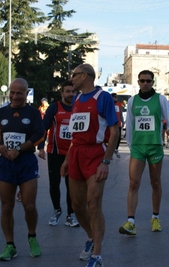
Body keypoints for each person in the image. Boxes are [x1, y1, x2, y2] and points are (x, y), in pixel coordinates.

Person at [0, 78, 45, 260]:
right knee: (6, 206)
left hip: (26, 162)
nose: (15, 96)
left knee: (29, 205)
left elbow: (40, 135)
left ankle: (32, 237)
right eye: (12, 93)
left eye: (19, 93)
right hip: (6, 164)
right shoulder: (0, 113)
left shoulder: (32, 113)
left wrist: (19, 149)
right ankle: (10, 245)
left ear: (26, 94)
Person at [60, 64, 119, 267]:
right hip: (76, 154)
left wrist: (106, 161)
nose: (72, 78)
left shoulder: (102, 98)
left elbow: (115, 131)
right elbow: (75, 135)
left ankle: (97, 255)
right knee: (77, 206)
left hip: (95, 154)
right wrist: (67, 160)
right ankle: (91, 237)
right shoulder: (76, 99)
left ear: (84, 76)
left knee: (93, 204)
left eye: (74, 75)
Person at [119, 70, 169, 235]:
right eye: (142, 81)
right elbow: (130, 123)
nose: (145, 83)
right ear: (138, 82)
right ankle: (131, 222)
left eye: (148, 81)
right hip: (139, 147)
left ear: (152, 82)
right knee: (133, 183)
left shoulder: (160, 99)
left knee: (155, 183)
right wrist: (131, 145)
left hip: (155, 146)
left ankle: (155, 217)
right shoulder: (132, 101)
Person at [37, 81, 79, 227]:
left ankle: (70, 214)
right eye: (67, 91)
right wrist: (41, 147)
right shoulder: (54, 107)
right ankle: (57, 210)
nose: (70, 94)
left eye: (73, 91)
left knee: (71, 185)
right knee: (54, 183)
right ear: (62, 93)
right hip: (55, 152)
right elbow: (44, 127)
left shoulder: (78, 108)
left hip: (73, 153)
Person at [111, 93, 124, 158]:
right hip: (111, 124)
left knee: (118, 137)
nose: (115, 98)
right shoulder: (109, 104)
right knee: (111, 138)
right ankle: (110, 152)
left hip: (118, 123)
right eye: (114, 97)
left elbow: (121, 114)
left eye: (116, 97)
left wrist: (123, 122)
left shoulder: (119, 104)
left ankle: (116, 149)